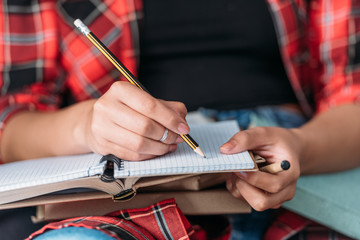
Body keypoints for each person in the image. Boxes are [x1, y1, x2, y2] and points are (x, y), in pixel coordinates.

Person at [1, 0, 360, 239]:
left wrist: (300, 147)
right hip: (127, 179)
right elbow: (11, 121)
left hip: (297, 168)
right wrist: (86, 126)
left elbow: (353, 97)